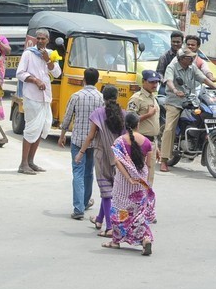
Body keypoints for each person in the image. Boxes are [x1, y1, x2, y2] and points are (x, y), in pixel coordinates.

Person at [160, 48, 216, 172]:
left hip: (192, 101)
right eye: (190, 57)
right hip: (175, 102)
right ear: (182, 59)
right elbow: (169, 81)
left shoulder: (192, 67)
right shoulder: (172, 67)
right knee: (169, 128)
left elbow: (203, 79)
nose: (192, 59)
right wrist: (175, 90)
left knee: (206, 116)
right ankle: (164, 159)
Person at [103, 112, 156, 255]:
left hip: (123, 183)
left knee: (119, 211)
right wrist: (147, 183)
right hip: (140, 183)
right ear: (138, 124)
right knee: (139, 213)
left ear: (125, 125)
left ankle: (116, 241)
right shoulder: (146, 142)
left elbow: (117, 162)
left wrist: (128, 177)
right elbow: (149, 165)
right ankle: (145, 238)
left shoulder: (119, 141)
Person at [59, 68, 103, 220]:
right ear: (97, 80)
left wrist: (62, 135)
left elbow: (67, 117)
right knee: (88, 173)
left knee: (77, 172)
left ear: (84, 79)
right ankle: (84, 202)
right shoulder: (101, 98)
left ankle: (78, 208)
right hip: (94, 141)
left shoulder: (76, 96)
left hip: (78, 140)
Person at [78, 85, 124, 235]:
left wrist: (81, 152)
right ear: (117, 96)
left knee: (106, 192)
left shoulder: (98, 113)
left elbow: (91, 136)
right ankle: (99, 219)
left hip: (102, 155)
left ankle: (109, 227)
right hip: (119, 157)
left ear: (103, 97)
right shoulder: (123, 114)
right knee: (111, 190)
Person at [16, 28, 61, 174]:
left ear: (48, 40)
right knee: (31, 129)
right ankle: (23, 164)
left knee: (41, 129)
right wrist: (35, 80)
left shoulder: (51, 54)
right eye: (38, 38)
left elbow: (57, 73)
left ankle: (31, 161)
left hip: (45, 97)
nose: (40, 41)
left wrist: (48, 60)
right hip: (32, 96)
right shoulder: (29, 53)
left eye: (43, 39)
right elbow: (20, 73)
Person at [126, 69, 161, 185]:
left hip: (152, 141)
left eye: (156, 82)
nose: (154, 85)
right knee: (139, 174)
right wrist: (148, 115)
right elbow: (129, 121)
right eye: (151, 82)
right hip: (140, 141)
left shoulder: (153, 98)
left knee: (150, 174)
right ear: (143, 82)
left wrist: (156, 146)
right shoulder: (137, 98)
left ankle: (147, 201)